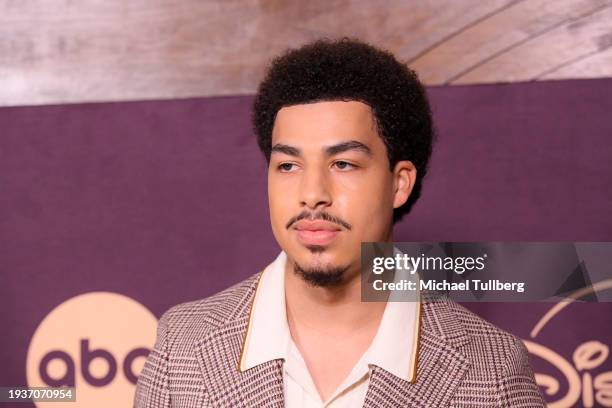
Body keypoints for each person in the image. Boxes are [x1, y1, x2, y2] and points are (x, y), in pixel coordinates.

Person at [134, 38, 545, 407]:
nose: (312, 193)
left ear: (398, 183)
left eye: (343, 163)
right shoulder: (182, 347)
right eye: (289, 165)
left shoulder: (492, 372)